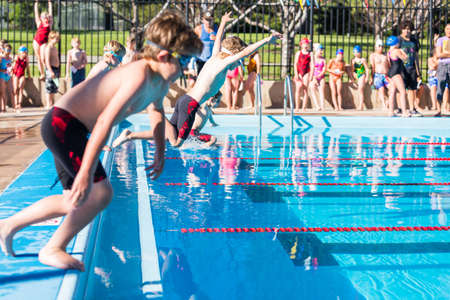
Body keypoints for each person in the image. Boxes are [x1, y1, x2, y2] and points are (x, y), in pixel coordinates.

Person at [0, 10, 203, 271]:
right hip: (64, 124)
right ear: (164, 56)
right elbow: (106, 121)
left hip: (66, 126)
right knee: (101, 193)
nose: (188, 67)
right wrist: (85, 172)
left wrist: (160, 153)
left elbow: (156, 114)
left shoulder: (160, 82)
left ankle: (8, 225)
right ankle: (53, 248)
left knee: (72, 200)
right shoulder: (139, 74)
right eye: (185, 59)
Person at [112, 12, 281, 149]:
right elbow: (244, 53)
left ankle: (129, 135)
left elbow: (220, 40)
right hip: (190, 104)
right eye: (237, 59)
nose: (238, 64)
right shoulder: (223, 63)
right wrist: (268, 40)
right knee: (176, 142)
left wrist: (222, 22)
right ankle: (155, 111)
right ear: (233, 54)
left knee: (166, 135)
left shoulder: (215, 57)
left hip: (184, 101)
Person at [398, 20, 422, 116]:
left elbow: (416, 57)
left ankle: (412, 108)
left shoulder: (414, 41)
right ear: (402, 29)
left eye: (408, 29)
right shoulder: (399, 40)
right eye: (405, 29)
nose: (407, 31)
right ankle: (400, 108)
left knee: (412, 89)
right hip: (401, 69)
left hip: (411, 68)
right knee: (401, 89)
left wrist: (418, 71)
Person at [386, 35, 409, 117]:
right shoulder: (396, 51)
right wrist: (403, 52)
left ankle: (391, 111)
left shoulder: (389, 52)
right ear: (395, 43)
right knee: (403, 92)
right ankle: (404, 112)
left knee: (392, 93)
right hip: (396, 73)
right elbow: (405, 58)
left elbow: (389, 63)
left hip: (391, 73)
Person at [33, 0, 53, 80]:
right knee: (38, 57)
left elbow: (51, 13)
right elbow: (36, 13)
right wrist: (36, 3)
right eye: (44, 17)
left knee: (43, 58)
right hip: (36, 41)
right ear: (41, 18)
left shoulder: (49, 24)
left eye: (46, 17)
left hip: (44, 43)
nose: (45, 18)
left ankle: (47, 72)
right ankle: (42, 74)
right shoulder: (39, 23)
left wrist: (50, 3)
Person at [369, 39, 390, 110]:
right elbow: (372, 67)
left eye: (382, 46)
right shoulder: (373, 56)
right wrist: (371, 78)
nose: (381, 47)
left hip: (386, 75)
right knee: (381, 89)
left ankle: (388, 102)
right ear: (375, 47)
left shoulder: (386, 55)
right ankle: (384, 104)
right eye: (379, 46)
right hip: (378, 75)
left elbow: (389, 66)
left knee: (392, 88)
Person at [293, 38, 312, 111]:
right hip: (299, 72)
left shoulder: (310, 54)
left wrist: (311, 75)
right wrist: (296, 74)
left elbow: (312, 65)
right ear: (301, 45)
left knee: (305, 90)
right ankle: (297, 107)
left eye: (307, 44)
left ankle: (304, 107)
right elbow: (295, 64)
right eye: (304, 44)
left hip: (306, 72)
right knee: (298, 89)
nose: (305, 45)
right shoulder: (298, 53)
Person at [436, 23, 450, 116]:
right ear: (445, 30)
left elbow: (442, 53)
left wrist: (445, 53)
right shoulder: (440, 40)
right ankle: (438, 109)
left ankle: (447, 108)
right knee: (440, 87)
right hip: (443, 66)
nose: (449, 30)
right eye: (448, 29)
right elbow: (439, 54)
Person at [43, 31, 60, 108]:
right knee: (49, 87)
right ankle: (48, 104)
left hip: (56, 69)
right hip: (51, 69)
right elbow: (46, 60)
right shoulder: (48, 48)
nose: (57, 40)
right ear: (51, 38)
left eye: (57, 38)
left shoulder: (54, 47)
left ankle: (51, 103)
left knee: (54, 87)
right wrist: (50, 71)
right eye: (55, 38)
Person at [12, 45, 31, 112]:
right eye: (23, 53)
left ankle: (19, 104)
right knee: (15, 89)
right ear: (20, 52)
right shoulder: (17, 57)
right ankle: (15, 103)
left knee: (21, 88)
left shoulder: (26, 58)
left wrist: (29, 75)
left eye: (26, 53)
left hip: (22, 75)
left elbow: (28, 67)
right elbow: (13, 65)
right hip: (15, 75)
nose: (24, 54)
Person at [351, 45, 370, 110]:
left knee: (360, 90)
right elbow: (353, 69)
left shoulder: (363, 60)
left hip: (362, 75)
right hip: (357, 76)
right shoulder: (353, 60)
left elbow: (367, 69)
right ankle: (360, 105)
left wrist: (367, 77)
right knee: (359, 91)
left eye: (358, 52)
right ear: (353, 53)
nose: (356, 53)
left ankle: (361, 105)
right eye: (355, 52)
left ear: (360, 52)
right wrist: (353, 78)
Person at [309, 43, 326, 111]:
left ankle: (322, 106)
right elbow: (311, 67)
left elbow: (324, 68)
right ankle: (317, 106)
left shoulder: (323, 59)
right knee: (312, 89)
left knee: (321, 91)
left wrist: (320, 75)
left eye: (322, 50)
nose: (321, 51)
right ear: (316, 50)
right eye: (320, 50)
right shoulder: (312, 58)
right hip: (313, 77)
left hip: (321, 77)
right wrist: (314, 77)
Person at [0, 43, 13, 113]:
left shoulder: (10, 58)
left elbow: (9, 67)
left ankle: (5, 107)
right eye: (7, 49)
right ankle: (3, 107)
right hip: (1, 75)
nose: (8, 51)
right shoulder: (1, 58)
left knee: (10, 91)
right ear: (4, 50)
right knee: (2, 92)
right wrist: (3, 70)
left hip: (8, 75)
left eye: (10, 50)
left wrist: (10, 70)